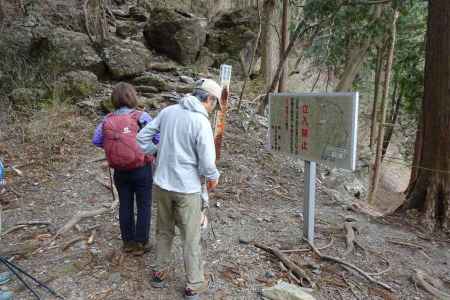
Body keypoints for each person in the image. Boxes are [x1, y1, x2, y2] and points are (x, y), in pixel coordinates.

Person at [137, 79, 221, 300]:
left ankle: (159, 273)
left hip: (162, 184)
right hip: (188, 188)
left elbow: (141, 137)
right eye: (215, 104)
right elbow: (207, 162)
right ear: (209, 99)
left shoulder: (169, 112)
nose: (214, 109)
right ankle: (193, 285)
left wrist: (156, 152)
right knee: (191, 237)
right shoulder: (201, 122)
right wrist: (213, 178)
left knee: (163, 231)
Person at [92, 82, 157, 256]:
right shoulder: (142, 117)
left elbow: (96, 140)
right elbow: (158, 137)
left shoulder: (107, 119)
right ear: (132, 97)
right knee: (144, 205)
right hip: (142, 167)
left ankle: (128, 242)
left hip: (120, 170)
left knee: (125, 204)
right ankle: (141, 243)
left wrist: (116, 147)